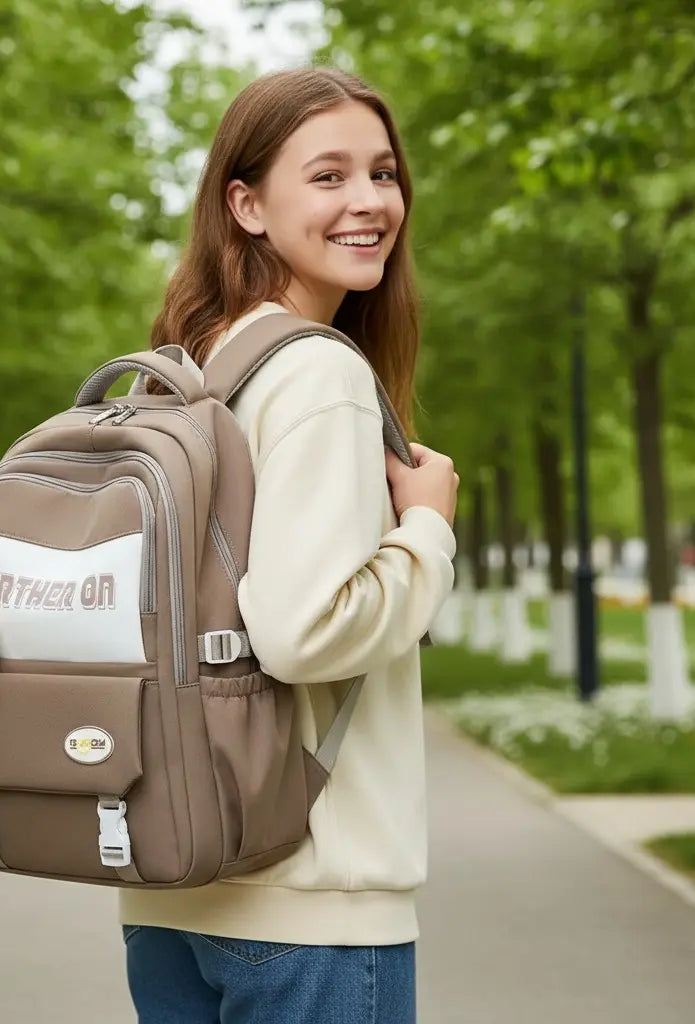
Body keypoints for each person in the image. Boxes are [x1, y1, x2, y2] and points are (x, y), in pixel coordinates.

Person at [119, 65, 460, 1024]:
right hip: (310, 901)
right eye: (329, 176)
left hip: (174, 888)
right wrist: (428, 526)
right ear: (247, 203)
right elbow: (305, 633)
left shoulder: (190, 370)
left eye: (385, 174)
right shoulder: (315, 374)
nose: (370, 202)